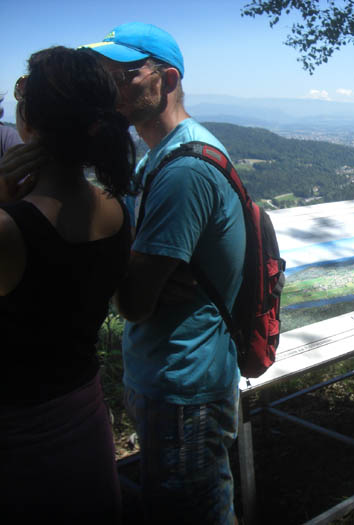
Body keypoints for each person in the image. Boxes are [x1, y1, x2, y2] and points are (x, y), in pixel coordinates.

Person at [83, 23, 246, 524]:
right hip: (171, 372)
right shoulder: (161, 155)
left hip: (183, 381)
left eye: (122, 75)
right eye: (103, 75)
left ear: (167, 79)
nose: (108, 88)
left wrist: (122, 265)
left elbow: (134, 302)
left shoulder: (183, 170)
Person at [0, 46, 134, 522]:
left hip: (16, 437)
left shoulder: (11, 229)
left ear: (28, 124)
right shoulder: (116, 211)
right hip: (83, 418)